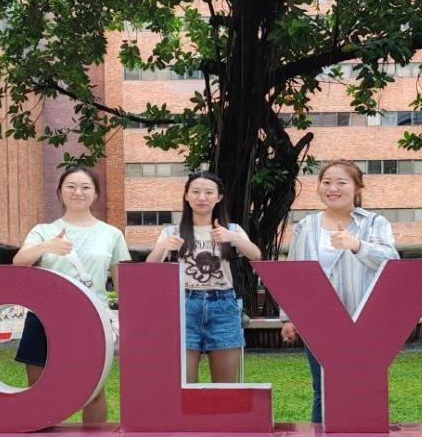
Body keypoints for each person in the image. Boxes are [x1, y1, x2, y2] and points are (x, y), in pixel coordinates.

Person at [277, 160, 400, 422]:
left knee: (365, 387)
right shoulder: (306, 226)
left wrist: (357, 245)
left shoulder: (374, 223)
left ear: (357, 187)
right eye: (327, 182)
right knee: (323, 389)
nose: (333, 188)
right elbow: (294, 273)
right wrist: (288, 317)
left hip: (363, 319)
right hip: (317, 321)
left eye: (341, 182)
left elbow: (391, 261)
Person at [13, 167, 130, 423]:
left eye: (86, 187)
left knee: (94, 391)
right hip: (44, 316)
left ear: (95, 194)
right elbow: (18, 262)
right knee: (39, 390)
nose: (78, 192)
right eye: (71, 186)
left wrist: (128, 317)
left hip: (90, 318)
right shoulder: (43, 230)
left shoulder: (112, 234)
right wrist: (46, 246)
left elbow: (123, 281)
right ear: (60, 192)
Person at [148, 171, 261, 383]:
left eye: (209, 192)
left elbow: (256, 255)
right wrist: (163, 246)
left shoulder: (232, 229)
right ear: (186, 196)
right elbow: (149, 268)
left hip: (224, 306)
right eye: (195, 192)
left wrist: (232, 237)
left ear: (219, 197)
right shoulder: (172, 232)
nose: (202, 198)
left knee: (225, 388)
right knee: (183, 386)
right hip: (183, 307)